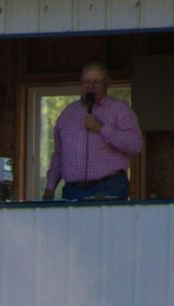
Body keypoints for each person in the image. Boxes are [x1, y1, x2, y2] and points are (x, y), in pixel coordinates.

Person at [44, 62, 143, 202]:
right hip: (73, 190)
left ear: (107, 83)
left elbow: (135, 145)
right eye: (86, 82)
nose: (90, 87)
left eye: (96, 82)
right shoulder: (68, 113)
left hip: (109, 186)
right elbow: (59, 154)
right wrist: (50, 187)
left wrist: (101, 129)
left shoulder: (120, 110)